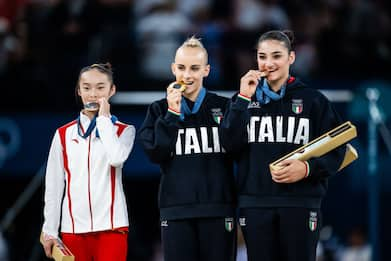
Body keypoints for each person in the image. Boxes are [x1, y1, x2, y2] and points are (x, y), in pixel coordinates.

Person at [220, 30, 347, 261]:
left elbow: (339, 150)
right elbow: (228, 146)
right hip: (255, 204)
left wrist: (307, 168)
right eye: (262, 56)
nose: (268, 63)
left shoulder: (314, 101)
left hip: (301, 203)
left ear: (291, 58)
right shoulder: (242, 100)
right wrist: (242, 99)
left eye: (276, 56)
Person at [139, 36, 236, 261]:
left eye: (194, 68)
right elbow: (155, 152)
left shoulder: (225, 106)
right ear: (173, 68)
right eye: (181, 68)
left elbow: (239, 148)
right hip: (176, 210)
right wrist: (172, 114)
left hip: (218, 208)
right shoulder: (158, 110)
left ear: (206, 70)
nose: (187, 75)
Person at [41, 63, 135, 261]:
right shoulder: (63, 134)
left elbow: (117, 158)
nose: (93, 94)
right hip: (72, 229)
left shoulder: (124, 131)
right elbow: (54, 185)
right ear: (78, 90)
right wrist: (50, 229)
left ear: (112, 90)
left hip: (112, 228)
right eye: (86, 87)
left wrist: (103, 120)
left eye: (100, 88)